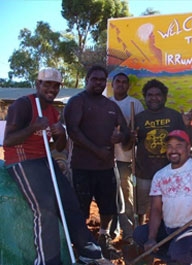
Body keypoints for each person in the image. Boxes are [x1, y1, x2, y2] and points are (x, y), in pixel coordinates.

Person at [3, 67, 104, 265]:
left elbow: (58, 147)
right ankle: (48, 260)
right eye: (46, 84)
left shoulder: (53, 111)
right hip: (22, 160)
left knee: (69, 201)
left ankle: (89, 253)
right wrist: (33, 127)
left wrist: (60, 134)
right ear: (38, 84)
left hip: (44, 159)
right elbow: (8, 140)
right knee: (45, 208)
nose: (51, 89)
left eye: (56, 85)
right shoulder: (23, 105)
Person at [64, 65, 130, 260]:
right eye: (95, 79)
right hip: (82, 167)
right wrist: (97, 150)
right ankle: (80, 244)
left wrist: (121, 137)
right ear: (87, 80)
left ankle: (103, 238)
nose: (99, 83)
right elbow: (73, 131)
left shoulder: (110, 106)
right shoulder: (77, 102)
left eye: (102, 80)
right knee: (80, 207)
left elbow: (125, 131)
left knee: (108, 207)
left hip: (107, 167)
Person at [133, 130, 192, 265]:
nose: (173, 150)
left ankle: (186, 256)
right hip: (169, 228)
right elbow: (156, 209)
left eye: (178, 145)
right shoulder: (160, 175)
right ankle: (182, 257)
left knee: (179, 251)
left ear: (188, 148)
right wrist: (152, 238)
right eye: (170, 146)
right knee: (140, 235)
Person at [132, 79, 192, 225]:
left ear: (165, 97)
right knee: (141, 208)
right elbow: (129, 144)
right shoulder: (139, 118)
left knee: (167, 207)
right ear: (145, 97)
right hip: (144, 172)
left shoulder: (174, 116)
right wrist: (130, 138)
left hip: (169, 172)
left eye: (158, 95)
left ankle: (163, 235)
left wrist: (187, 126)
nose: (154, 98)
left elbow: (188, 142)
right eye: (150, 95)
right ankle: (140, 234)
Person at [109, 72, 144, 243]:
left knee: (126, 196)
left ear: (128, 86)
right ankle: (111, 231)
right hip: (106, 158)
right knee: (109, 196)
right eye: (118, 82)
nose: (121, 85)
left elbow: (140, 131)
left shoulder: (134, 104)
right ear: (112, 84)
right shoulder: (105, 103)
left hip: (126, 158)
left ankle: (129, 233)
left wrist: (133, 135)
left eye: (124, 82)